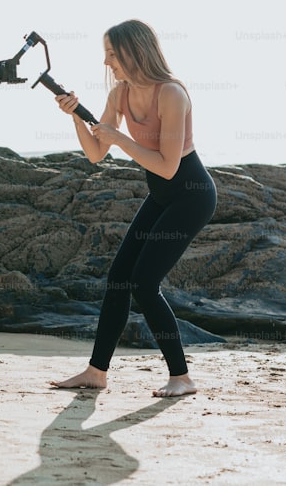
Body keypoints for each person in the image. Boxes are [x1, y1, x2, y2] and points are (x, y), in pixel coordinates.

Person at [50, 20, 217, 397]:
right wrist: (77, 115)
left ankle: (181, 378)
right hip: (160, 195)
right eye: (106, 54)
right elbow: (96, 153)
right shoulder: (120, 96)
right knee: (119, 277)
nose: (107, 62)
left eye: (112, 53)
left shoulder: (171, 94)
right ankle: (96, 372)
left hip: (192, 195)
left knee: (143, 282)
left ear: (134, 51)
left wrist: (120, 139)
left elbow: (168, 166)